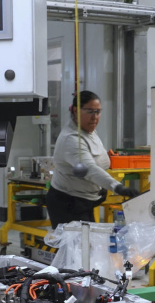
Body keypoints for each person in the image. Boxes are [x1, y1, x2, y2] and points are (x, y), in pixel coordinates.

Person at [46, 90, 139, 229]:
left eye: (98, 112)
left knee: (88, 245)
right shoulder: (71, 139)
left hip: (85, 201)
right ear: (76, 111)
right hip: (68, 204)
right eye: (90, 111)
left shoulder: (89, 130)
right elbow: (89, 168)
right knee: (77, 248)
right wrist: (116, 186)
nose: (95, 117)